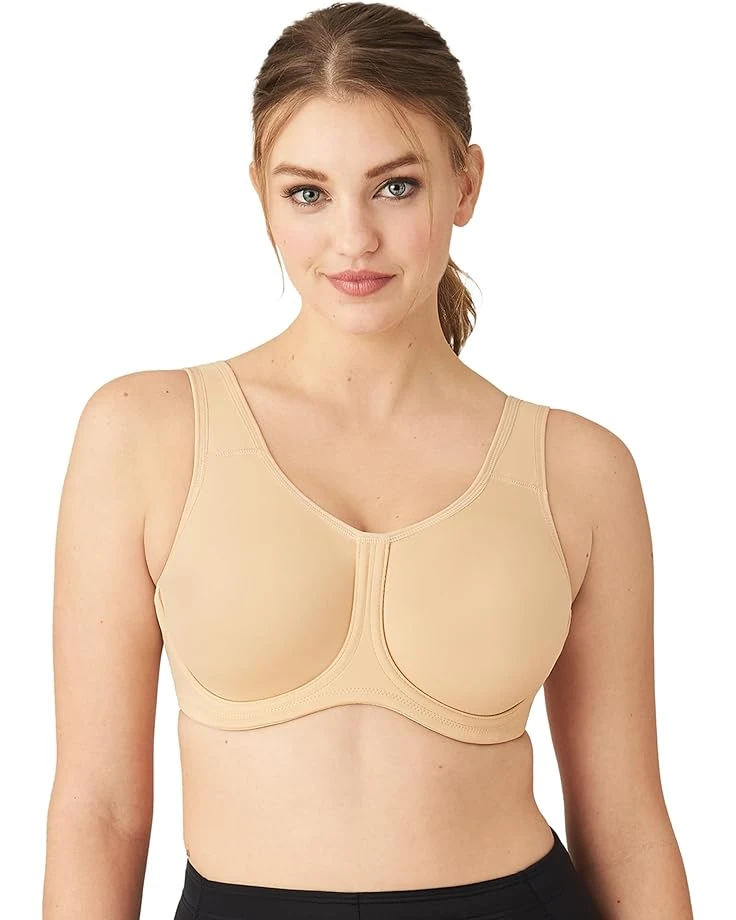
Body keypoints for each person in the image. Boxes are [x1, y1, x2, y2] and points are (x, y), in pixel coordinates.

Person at [43, 3, 694, 918]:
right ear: (261, 192)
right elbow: (98, 810)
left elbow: (625, 823)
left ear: (465, 184)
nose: (353, 239)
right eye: (308, 193)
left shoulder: (581, 472)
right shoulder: (143, 435)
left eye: (395, 186)